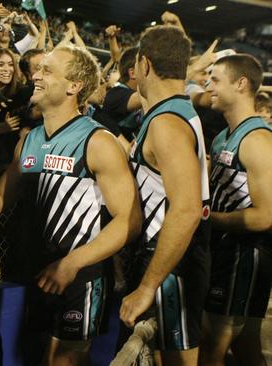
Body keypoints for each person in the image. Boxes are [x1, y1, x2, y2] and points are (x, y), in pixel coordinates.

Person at [0, 46, 141, 365]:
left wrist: (72, 263)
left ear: (74, 86)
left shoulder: (98, 141)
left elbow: (129, 220)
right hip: (36, 271)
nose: (35, 75)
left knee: (65, 361)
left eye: (47, 71)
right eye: (38, 70)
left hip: (80, 274)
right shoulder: (30, 139)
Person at [119, 25, 211, 366]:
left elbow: (186, 210)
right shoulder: (171, 112)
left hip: (172, 261)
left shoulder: (166, 123)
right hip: (173, 258)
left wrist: (146, 287)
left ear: (144, 65)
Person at [199, 54, 272, 366]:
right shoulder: (222, 137)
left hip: (244, 259)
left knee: (211, 348)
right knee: (244, 347)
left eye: (215, 79)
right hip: (228, 255)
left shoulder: (257, 140)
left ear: (241, 84)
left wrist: (205, 220)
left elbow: (265, 215)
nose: (208, 86)